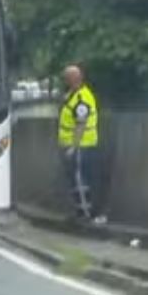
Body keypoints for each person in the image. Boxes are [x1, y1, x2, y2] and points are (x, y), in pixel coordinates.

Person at [58, 65, 104, 223]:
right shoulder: (72, 95)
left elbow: (81, 123)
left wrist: (74, 146)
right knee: (75, 180)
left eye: (66, 77)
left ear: (74, 79)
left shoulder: (82, 98)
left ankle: (86, 214)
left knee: (80, 180)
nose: (64, 80)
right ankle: (79, 211)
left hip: (82, 145)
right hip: (75, 144)